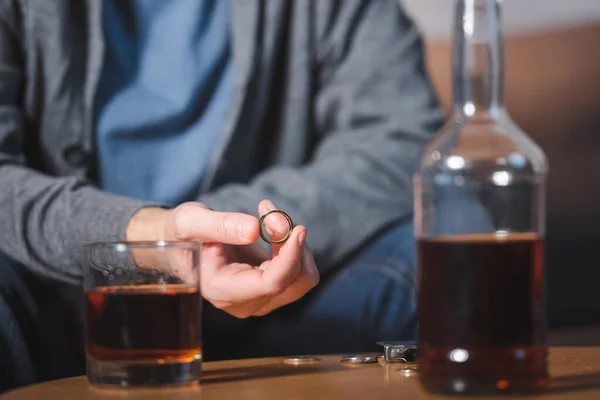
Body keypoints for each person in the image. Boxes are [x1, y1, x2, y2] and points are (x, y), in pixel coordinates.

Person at [0, 0, 443, 391]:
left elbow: (397, 138)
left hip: (282, 308)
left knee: (453, 236)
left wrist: (245, 238)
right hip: (49, 302)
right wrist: (162, 238)